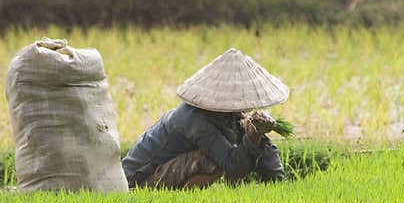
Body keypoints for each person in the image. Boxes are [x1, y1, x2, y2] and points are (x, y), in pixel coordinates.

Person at [122, 48, 289, 189]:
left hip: (163, 170)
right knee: (212, 163)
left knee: (236, 145)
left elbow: (265, 148)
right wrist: (252, 137)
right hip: (138, 181)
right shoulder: (195, 120)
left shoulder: (229, 115)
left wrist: (279, 185)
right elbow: (233, 167)